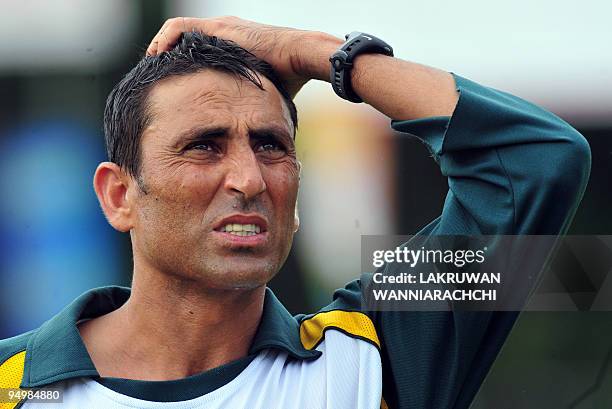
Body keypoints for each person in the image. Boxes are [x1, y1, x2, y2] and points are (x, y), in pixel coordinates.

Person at [0, 16, 590, 409]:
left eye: (271, 145)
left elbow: (537, 159)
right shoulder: (14, 383)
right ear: (119, 196)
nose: (250, 179)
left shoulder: (378, 352)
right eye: (203, 145)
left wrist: (312, 54)